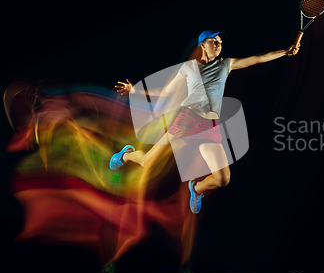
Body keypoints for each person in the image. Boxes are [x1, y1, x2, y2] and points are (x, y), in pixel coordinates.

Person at [111, 30, 300, 214]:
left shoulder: (226, 64)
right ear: (203, 44)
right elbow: (166, 92)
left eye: (220, 42)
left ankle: (197, 187)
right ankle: (126, 155)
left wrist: (285, 51)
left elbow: (257, 58)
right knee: (147, 162)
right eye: (214, 41)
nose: (219, 45)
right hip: (187, 121)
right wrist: (135, 90)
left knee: (223, 178)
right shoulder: (189, 68)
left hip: (210, 128)